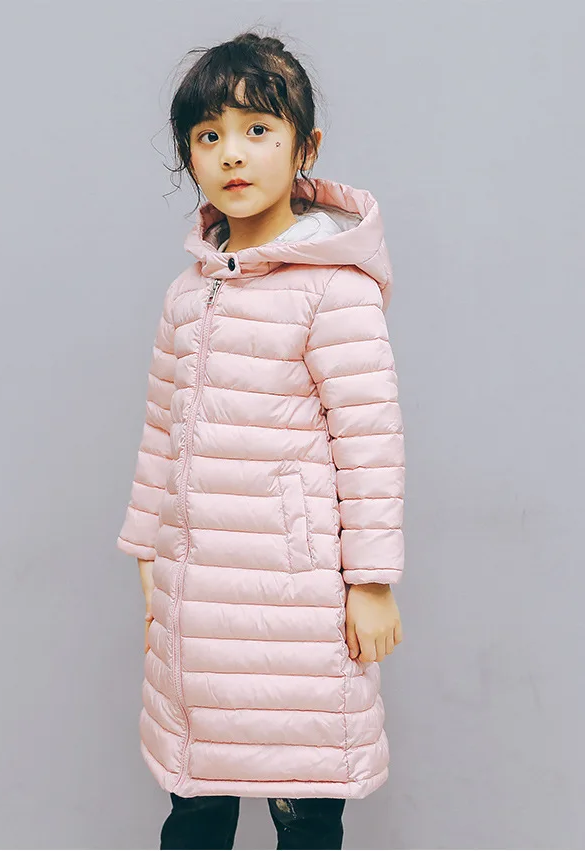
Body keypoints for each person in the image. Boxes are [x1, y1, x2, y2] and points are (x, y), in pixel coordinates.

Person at [116, 29, 406, 851]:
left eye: (256, 129)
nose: (232, 154)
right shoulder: (188, 292)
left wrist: (371, 581)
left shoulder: (334, 290)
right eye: (208, 136)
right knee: (196, 801)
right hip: (196, 595)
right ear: (189, 156)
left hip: (296, 594)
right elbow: (162, 428)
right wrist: (147, 548)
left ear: (304, 146)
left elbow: (370, 441)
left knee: (303, 799)